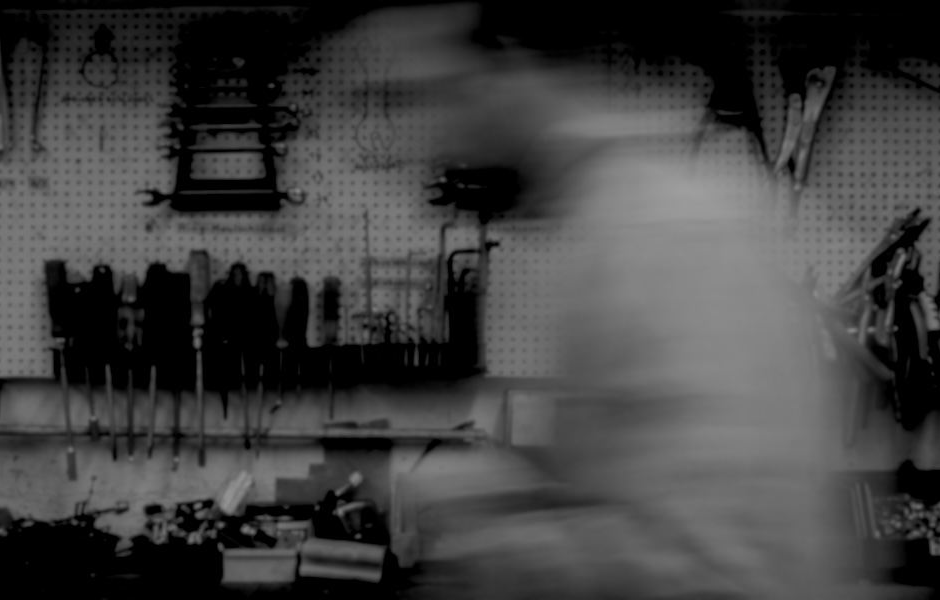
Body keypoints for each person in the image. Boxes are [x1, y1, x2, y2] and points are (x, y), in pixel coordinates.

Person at [338, 4, 862, 599]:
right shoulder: (601, 225)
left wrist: (492, 541)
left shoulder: (658, 234)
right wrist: (517, 496)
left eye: (438, 96)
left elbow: (722, 556)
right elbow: (636, 488)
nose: (430, 139)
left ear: (507, 65)